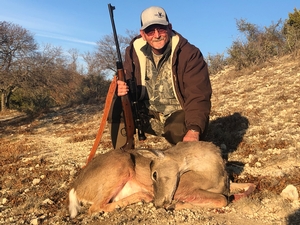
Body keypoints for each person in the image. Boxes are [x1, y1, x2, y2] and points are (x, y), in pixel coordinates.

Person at [109, 6, 212, 149]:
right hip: (147, 114)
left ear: (169, 28)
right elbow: (126, 77)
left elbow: (198, 95)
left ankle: (186, 151)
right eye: (150, 31)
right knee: (115, 105)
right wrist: (119, 88)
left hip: (178, 115)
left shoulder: (190, 54)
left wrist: (194, 129)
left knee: (176, 130)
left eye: (161, 29)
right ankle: (122, 155)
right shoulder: (132, 51)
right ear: (143, 34)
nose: (156, 35)